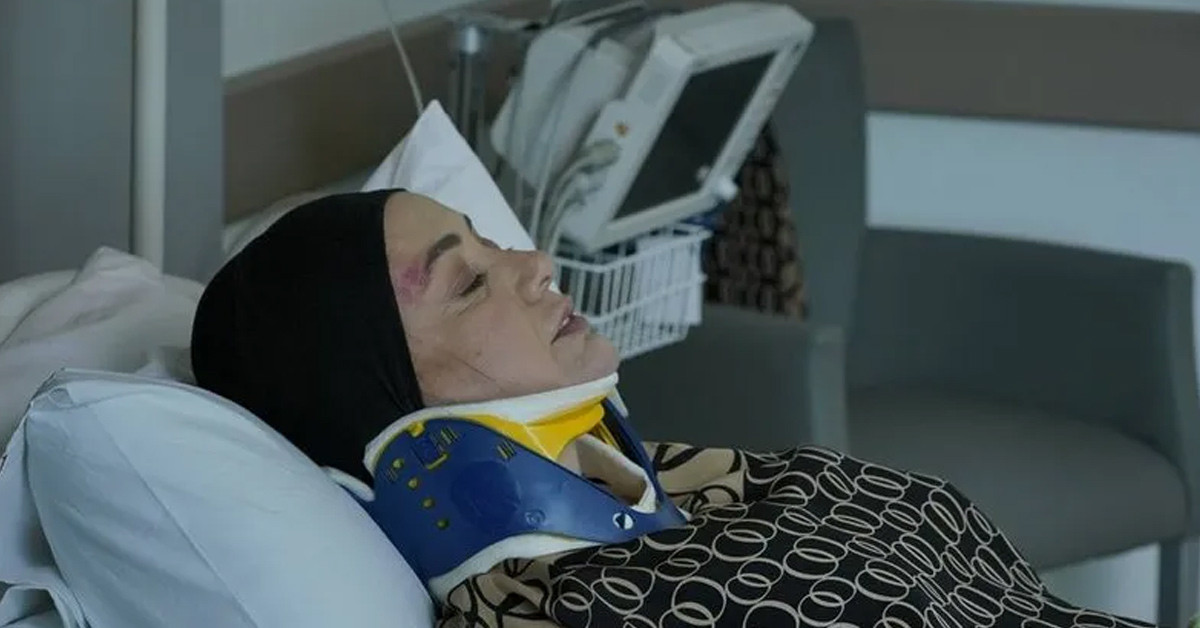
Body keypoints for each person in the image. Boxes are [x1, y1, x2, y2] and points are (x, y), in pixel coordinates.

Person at [191, 190, 1155, 628]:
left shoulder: (676, 485)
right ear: (391, 424)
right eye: (470, 281)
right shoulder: (564, 609)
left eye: (489, 240)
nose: (534, 263)